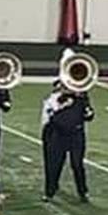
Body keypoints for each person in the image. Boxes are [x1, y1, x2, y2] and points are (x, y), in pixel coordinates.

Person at [42, 53, 95, 202]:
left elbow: (89, 116)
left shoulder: (82, 95)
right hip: (57, 134)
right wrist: (62, 101)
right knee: (54, 164)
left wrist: (87, 110)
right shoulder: (56, 94)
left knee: (77, 164)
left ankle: (83, 191)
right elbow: (49, 111)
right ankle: (50, 191)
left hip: (76, 134)